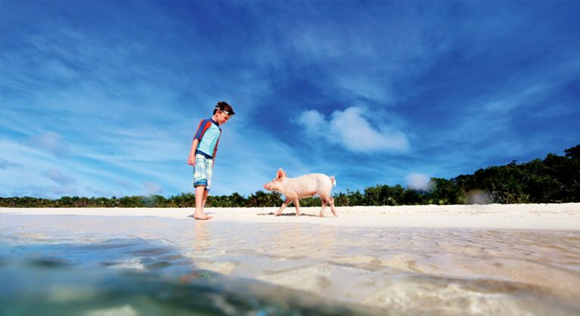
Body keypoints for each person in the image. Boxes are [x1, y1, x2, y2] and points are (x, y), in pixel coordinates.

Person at [187, 101, 235, 220]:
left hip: (209, 159)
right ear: (218, 112)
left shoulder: (219, 131)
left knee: (207, 187)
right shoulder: (206, 122)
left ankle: (201, 210)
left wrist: (213, 160)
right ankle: (198, 211)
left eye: (228, 119)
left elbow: (215, 147)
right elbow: (197, 138)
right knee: (201, 182)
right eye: (225, 118)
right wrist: (192, 154)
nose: (226, 121)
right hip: (200, 155)